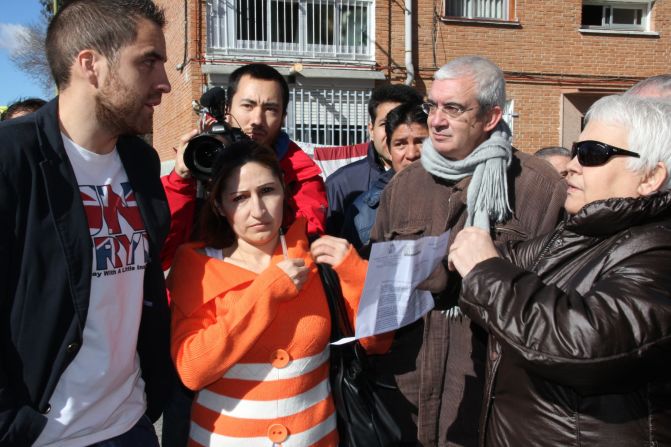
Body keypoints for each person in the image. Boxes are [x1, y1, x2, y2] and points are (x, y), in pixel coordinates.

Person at [449, 94, 671, 446]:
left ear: (650, 177)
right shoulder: (578, 235)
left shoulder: (659, 248)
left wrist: (484, 270)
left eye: (593, 154)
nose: (571, 165)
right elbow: (501, 264)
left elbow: (586, 342)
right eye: (575, 150)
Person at [369, 56, 567, 446]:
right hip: (407, 389)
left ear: (492, 117)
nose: (437, 121)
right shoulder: (405, 185)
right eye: (433, 106)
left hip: (489, 393)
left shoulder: (538, 187)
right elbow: (378, 284)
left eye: (454, 109)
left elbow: (552, 303)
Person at [0, 1, 172, 446]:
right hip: (46, 435)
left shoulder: (141, 161)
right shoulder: (12, 159)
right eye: (148, 61)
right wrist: (13, 423)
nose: (164, 83)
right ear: (90, 64)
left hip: (131, 424)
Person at [168, 140, 390, 446]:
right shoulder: (198, 267)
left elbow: (376, 342)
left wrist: (355, 272)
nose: (257, 210)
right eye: (239, 198)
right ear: (219, 204)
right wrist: (266, 292)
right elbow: (192, 370)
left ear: (284, 190)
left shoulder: (312, 256)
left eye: (267, 191)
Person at [161, 63, 328, 269]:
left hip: (271, 284)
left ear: (283, 117)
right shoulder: (200, 159)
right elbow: (162, 254)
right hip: (202, 287)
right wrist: (181, 179)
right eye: (248, 106)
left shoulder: (299, 174)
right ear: (227, 108)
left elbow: (304, 246)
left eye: (270, 109)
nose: (257, 120)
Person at [325, 84, 423, 235]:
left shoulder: (445, 184)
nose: (393, 131)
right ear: (371, 129)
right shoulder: (340, 185)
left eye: (401, 122)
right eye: (385, 124)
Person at [341, 102, 427, 253]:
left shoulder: (454, 198)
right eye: (400, 144)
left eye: (421, 142)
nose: (412, 154)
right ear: (389, 149)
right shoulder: (363, 212)